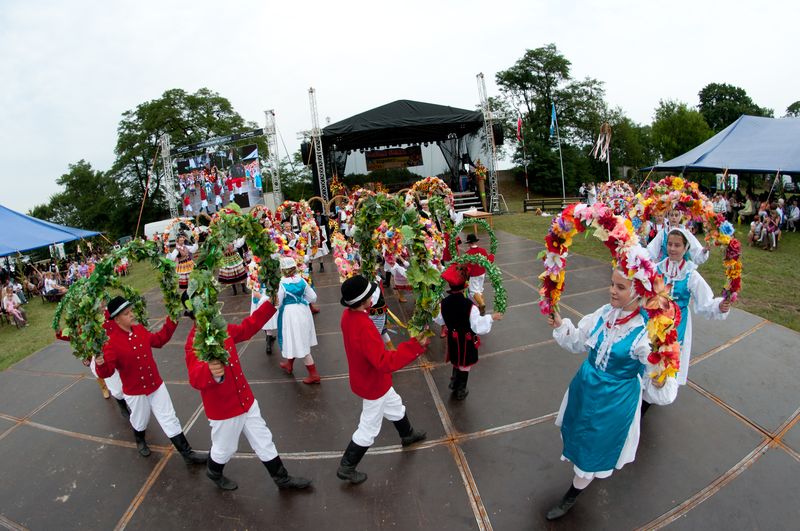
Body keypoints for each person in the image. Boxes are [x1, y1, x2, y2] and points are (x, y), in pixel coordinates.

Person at [544, 266, 678, 520]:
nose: (612, 291)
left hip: (614, 398)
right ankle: (582, 475)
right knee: (578, 432)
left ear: (638, 292)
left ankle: (572, 494)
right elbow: (579, 340)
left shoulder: (644, 332)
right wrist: (562, 324)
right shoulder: (604, 314)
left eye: (620, 287)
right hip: (586, 386)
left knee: (594, 445)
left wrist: (660, 379)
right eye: (612, 284)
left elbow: (658, 375)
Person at [182, 292, 312, 492]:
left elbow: (246, 329)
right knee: (225, 448)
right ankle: (214, 471)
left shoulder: (221, 329)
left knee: (263, 439)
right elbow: (194, 377)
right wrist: (209, 371)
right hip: (224, 409)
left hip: (245, 400)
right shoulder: (194, 342)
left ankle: (281, 478)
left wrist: (269, 305)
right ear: (195, 314)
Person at [336, 275, 429, 484]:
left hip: (368, 379)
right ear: (364, 301)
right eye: (370, 296)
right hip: (373, 383)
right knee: (368, 428)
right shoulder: (364, 326)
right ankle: (347, 466)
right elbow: (384, 362)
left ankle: (407, 435)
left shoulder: (348, 316)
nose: (373, 298)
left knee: (395, 404)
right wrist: (415, 346)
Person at [94, 296, 206, 464]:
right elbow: (107, 372)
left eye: (131, 311)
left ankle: (187, 454)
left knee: (169, 418)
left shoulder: (139, 330)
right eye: (126, 313)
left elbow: (159, 340)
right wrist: (100, 363)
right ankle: (140, 439)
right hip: (135, 391)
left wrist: (172, 319)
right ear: (116, 319)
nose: (131, 315)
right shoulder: (111, 343)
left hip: (156, 384)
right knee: (140, 421)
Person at [643, 229, 731, 413]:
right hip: (652, 322)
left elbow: (706, 301)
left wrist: (719, 306)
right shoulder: (656, 268)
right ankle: (642, 394)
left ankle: (651, 397)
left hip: (676, 327)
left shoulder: (691, 274)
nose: (673, 249)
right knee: (646, 355)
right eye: (670, 244)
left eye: (677, 245)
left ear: (685, 248)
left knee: (666, 361)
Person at [433, 265, 502, 400]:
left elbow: (439, 319)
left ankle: (454, 383)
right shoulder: (470, 306)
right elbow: (478, 326)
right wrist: (491, 317)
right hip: (466, 340)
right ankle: (460, 389)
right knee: (465, 363)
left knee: (456, 359)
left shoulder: (443, 303)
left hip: (453, 338)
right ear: (466, 285)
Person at [276, 257, 320, 384]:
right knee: (296, 338)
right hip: (303, 312)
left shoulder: (282, 284)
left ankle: (314, 374)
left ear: (282, 270)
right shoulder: (302, 280)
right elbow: (313, 297)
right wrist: (303, 301)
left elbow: (277, 304)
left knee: (299, 342)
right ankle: (289, 364)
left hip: (291, 315)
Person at [464, 234, 495, 315]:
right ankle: (481, 307)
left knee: (473, 292)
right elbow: (489, 260)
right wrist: (492, 255)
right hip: (482, 273)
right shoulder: (482, 250)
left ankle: (481, 304)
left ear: (469, 243)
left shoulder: (468, 253)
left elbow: (466, 267)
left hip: (474, 275)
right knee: (480, 290)